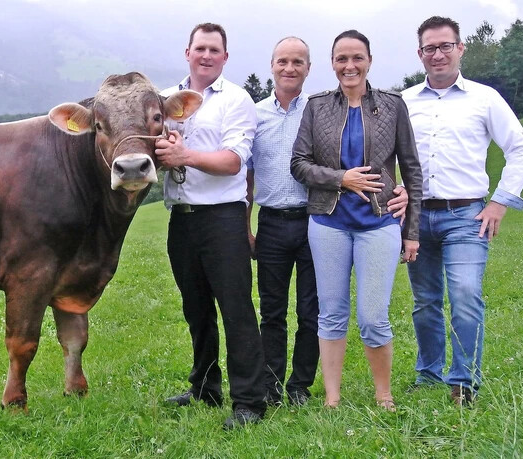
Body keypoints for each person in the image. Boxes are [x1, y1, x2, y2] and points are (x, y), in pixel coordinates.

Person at [247, 36, 410, 407]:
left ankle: (300, 387)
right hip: (278, 221)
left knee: (314, 309)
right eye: (282, 61)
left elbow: (395, 160)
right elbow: (250, 173)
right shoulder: (257, 114)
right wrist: (245, 225)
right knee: (272, 310)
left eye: (298, 62)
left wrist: (399, 192)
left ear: (309, 67)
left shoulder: (321, 107)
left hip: (316, 216)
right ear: (272, 65)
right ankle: (271, 386)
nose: (289, 68)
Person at [402, 16, 523, 406]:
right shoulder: (404, 102)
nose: (438, 54)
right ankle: (429, 374)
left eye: (446, 46)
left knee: (464, 294)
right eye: (430, 48)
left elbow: (520, 149)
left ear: (460, 48)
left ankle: (463, 382)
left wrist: (500, 201)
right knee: (425, 301)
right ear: (420, 53)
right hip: (416, 217)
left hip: (466, 216)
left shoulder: (484, 98)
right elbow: (385, 151)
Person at [290, 30, 422, 410]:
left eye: (357, 58)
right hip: (328, 223)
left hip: (379, 223)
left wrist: (411, 231)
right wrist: (341, 179)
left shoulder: (393, 106)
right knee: (331, 312)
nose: (349, 66)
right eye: (341, 59)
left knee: (373, 316)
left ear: (369, 61)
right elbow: (298, 164)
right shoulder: (316, 107)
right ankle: (332, 397)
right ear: (332, 63)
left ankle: (384, 393)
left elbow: (411, 169)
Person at [156, 22, 266, 429]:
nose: (206, 55)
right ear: (188, 52)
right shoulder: (165, 99)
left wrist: (183, 155)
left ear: (225, 57)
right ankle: (205, 387)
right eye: (199, 48)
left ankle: (249, 402)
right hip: (181, 219)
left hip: (223, 218)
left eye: (214, 50)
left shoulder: (236, 100)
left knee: (236, 310)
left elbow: (234, 161)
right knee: (196, 309)